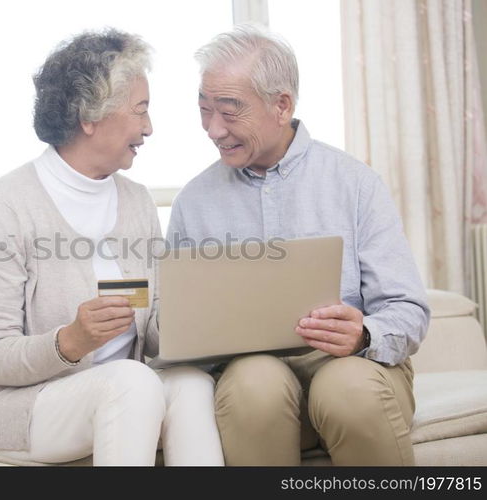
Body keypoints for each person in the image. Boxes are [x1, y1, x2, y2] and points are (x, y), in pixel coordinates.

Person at [0, 28, 223, 466]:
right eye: (140, 111)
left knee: (190, 383)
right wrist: (71, 340)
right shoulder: (5, 206)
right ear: (90, 117)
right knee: (132, 382)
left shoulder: (136, 202)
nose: (149, 128)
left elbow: (151, 335)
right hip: (20, 406)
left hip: (124, 390)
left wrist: (194, 314)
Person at [166, 24, 430, 465]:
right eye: (204, 109)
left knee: (347, 388)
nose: (213, 129)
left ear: (281, 105)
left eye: (229, 111)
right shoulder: (194, 202)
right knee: (255, 382)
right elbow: (168, 320)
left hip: (353, 369)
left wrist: (364, 332)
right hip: (250, 380)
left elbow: (408, 308)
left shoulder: (354, 183)